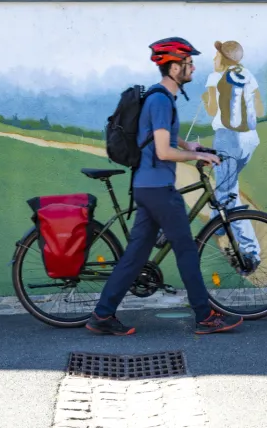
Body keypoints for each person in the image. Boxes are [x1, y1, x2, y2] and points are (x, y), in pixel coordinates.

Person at [86, 37, 244, 336]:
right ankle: (205, 316)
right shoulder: (160, 100)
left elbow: (160, 134)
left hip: (147, 186)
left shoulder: (161, 98)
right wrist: (198, 156)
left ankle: (102, 315)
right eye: (188, 63)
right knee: (186, 250)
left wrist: (188, 144)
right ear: (173, 68)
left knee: (135, 256)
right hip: (158, 189)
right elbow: (162, 151)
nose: (192, 67)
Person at [202, 40, 264, 268]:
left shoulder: (215, 77)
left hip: (228, 139)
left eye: (216, 55)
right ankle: (216, 226)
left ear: (223, 58)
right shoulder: (248, 74)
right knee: (227, 186)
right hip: (250, 139)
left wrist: (207, 99)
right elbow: (260, 109)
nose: (214, 58)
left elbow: (211, 110)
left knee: (228, 194)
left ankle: (250, 251)